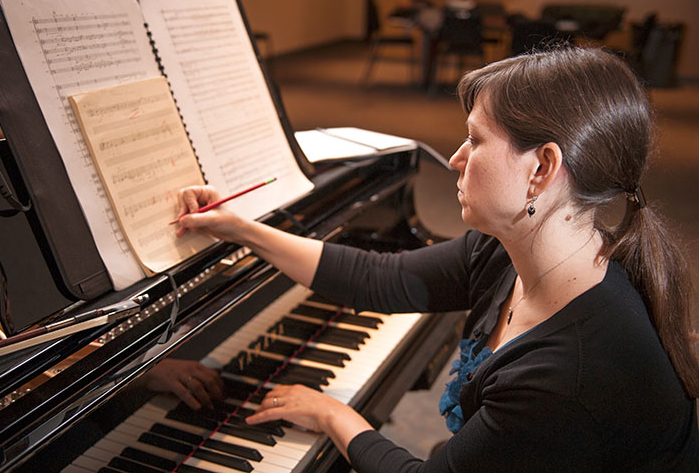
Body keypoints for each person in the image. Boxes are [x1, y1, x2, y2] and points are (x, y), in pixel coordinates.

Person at [172, 46, 699, 471]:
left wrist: (336, 417)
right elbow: (377, 279)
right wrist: (242, 230)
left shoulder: (567, 376)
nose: (453, 158)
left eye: (475, 139)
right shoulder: (519, 251)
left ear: (542, 169)